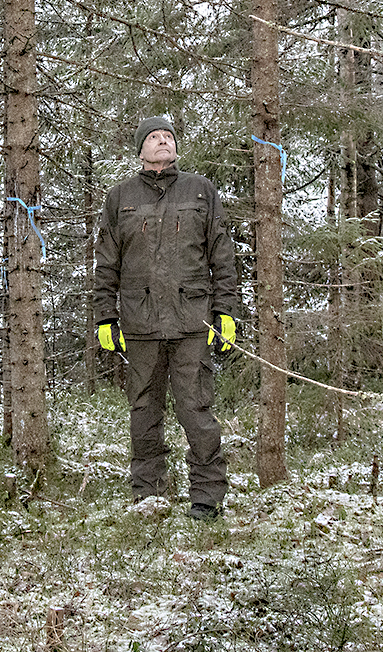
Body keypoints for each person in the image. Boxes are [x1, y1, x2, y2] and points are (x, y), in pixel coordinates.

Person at [91, 114, 241, 520]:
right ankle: (150, 494)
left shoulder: (201, 190)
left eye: (168, 137)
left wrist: (226, 311)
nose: (162, 143)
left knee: (197, 410)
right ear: (140, 150)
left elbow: (222, 257)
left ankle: (207, 497)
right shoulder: (119, 197)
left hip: (194, 321)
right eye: (153, 138)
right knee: (143, 411)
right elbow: (106, 263)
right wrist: (106, 316)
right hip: (140, 324)